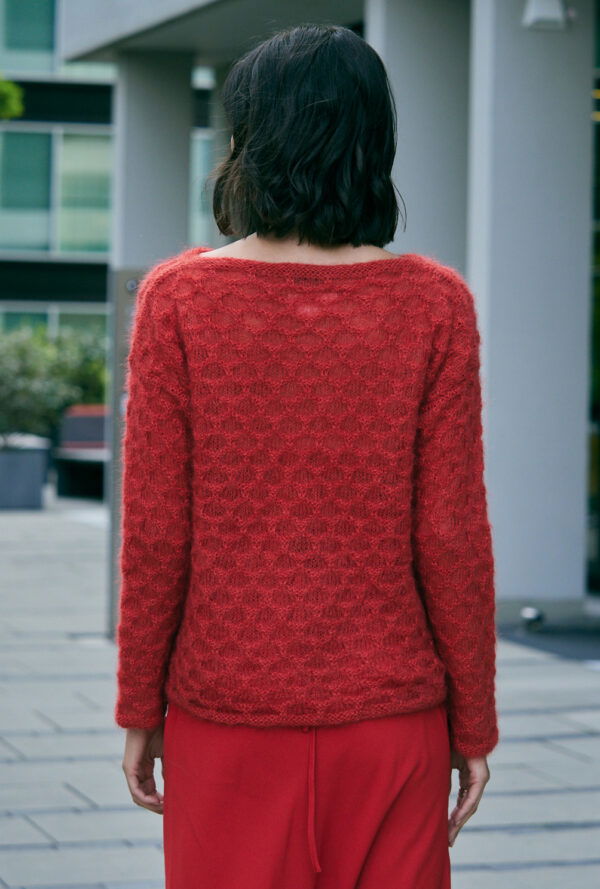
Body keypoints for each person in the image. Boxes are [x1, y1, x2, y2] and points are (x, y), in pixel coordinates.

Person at [114, 22, 499, 889]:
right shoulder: (436, 306)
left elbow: (157, 532)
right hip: (393, 721)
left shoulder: (177, 300)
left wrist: (140, 704)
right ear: (374, 143)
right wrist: (472, 722)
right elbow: (450, 536)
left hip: (226, 717)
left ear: (250, 141)